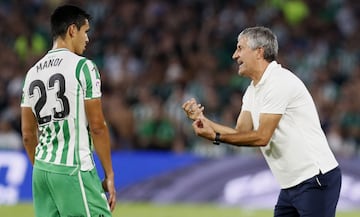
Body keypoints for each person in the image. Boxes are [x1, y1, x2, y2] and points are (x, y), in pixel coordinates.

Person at [182, 26, 341, 217]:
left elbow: (262, 137)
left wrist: (215, 136)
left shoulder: (278, 82)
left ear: (259, 52)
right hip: (291, 185)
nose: (234, 55)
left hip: (315, 179)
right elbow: (241, 131)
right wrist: (203, 120)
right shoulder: (253, 90)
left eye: (240, 48)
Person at [21, 5, 116, 217]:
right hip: (73, 168)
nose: (88, 39)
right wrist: (109, 174)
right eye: (86, 31)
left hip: (42, 171)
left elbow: (28, 135)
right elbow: (98, 127)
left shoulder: (31, 74)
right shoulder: (84, 67)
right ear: (72, 30)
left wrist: (45, 169)